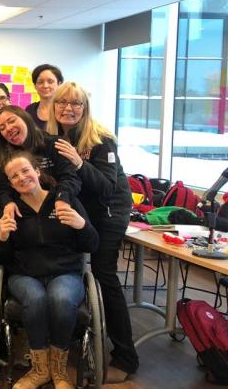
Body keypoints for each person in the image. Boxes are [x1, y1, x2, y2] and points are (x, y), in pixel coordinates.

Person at [47, 82, 138, 381]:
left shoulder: (101, 139)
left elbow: (106, 186)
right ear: (53, 106)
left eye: (76, 104)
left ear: (85, 108)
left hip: (110, 213)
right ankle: (77, 334)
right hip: (83, 213)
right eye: (62, 103)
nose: (68, 109)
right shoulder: (57, 136)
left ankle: (125, 358)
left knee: (104, 275)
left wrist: (77, 161)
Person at [0, 152, 98, 389]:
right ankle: (39, 370)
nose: (21, 177)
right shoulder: (9, 210)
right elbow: (0, 258)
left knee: (60, 298)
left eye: (25, 170)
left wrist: (82, 226)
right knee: (36, 298)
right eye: (14, 176)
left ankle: (59, 370)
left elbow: (91, 244)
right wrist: (2, 237)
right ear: (10, 184)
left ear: (37, 171)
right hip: (24, 274)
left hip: (65, 272)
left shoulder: (65, 202)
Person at [0, 105, 81, 221]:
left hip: (59, 206)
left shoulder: (54, 144)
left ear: (25, 118)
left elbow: (70, 177)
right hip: (23, 214)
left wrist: (63, 198)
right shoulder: (0, 156)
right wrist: (7, 203)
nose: (8, 128)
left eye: (11, 121)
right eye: (2, 128)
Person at [25, 64, 63, 131]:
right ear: (35, 86)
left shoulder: (66, 110)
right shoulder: (29, 110)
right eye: (40, 82)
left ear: (59, 84)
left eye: (50, 82)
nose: (45, 86)